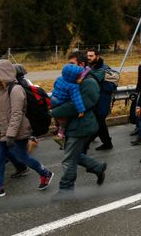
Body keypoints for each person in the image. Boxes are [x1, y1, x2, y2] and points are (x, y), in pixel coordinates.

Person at [0, 60, 54, 200]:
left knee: (22, 157)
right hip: (2, 133)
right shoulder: (0, 90)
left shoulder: (16, 89)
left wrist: (11, 135)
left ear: (2, 74)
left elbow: (16, 114)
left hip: (17, 133)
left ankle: (45, 173)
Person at [51, 51, 107, 192]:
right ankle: (97, 167)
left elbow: (76, 106)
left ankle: (66, 189)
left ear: (81, 65)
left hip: (81, 125)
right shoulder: (73, 80)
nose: (68, 67)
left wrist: (54, 112)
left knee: (69, 159)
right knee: (73, 154)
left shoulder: (89, 82)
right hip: (73, 124)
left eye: (72, 63)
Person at [50, 64, 86, 148]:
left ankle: (56, 126)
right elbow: (77, 99)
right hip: (61, 102)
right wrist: (81, 110)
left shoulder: (59, 79)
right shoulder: (73, 86)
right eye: (79, 76)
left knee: (56, 115)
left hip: (53, 99)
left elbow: (55, 86)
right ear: (73, 77)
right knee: (64, 121)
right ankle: (60, 136)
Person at [87, 49, 114, 151]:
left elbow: (94, 80)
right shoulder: (91, 67)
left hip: (102, 100)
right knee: (99, 123)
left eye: (91, 56)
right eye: (88, 56)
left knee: (99, 122)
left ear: (97, 56)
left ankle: (86, 142)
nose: (89, 58)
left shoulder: (103, 69)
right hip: (95, 100)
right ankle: (107, 143)